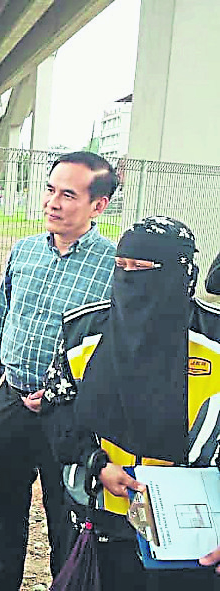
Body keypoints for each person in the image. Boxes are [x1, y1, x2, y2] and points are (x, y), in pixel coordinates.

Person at [41, 216, 220, 590]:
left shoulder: (214, 337)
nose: (128, 278)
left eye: (141, 269)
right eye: (121, 267)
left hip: (195, 530)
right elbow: (59, 410)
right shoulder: (83, 331)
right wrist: (97, 464)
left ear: (179, 273)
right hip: (99, 513)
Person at [0, 151, 119, 591]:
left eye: (68, 195)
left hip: (69, 416)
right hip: (11, 401)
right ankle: (3, 582)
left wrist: (67, 397)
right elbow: (1, 319)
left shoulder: (111, 266)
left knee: (66, 514)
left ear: (98, 205)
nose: (53, 203)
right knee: (6, 506)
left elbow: (110, 348)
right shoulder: (23, 252)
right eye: (50, 189)